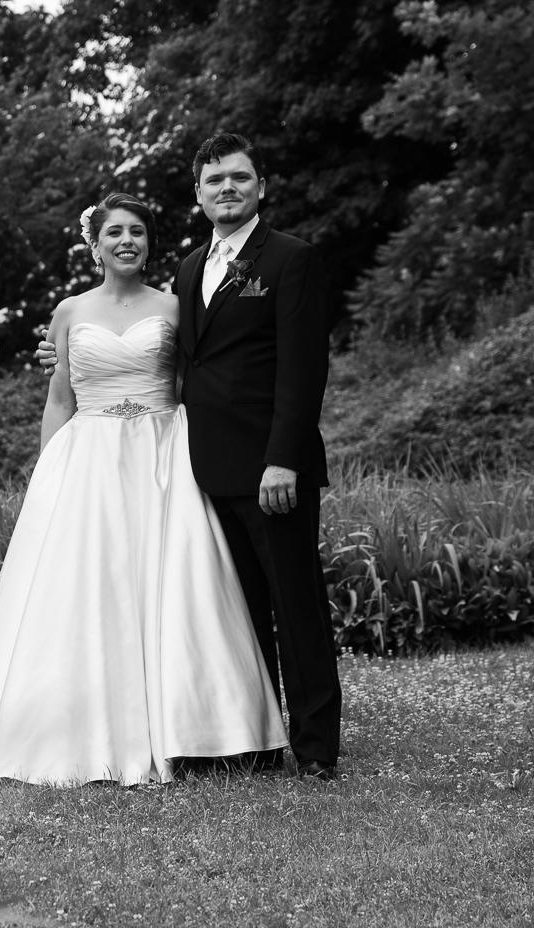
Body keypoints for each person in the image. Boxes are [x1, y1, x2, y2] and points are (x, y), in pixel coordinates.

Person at [0, 193, 287, 786]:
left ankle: (203, 730)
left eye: (137, 232)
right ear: (96, 245)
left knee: (180, 585)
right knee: (91, 588)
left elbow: (197, 380)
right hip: (91, 461)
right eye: (115, 233)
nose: (126, 241)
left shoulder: (177, 305)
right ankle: (79, 729)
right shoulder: (69, 312)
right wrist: (49, 475)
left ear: (150, 244)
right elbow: (60, 399)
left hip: (164, 455)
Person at [36, 133, 342, 780]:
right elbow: (179, 363)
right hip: (198, 468)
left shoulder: (291, 259)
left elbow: (303, 369)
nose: (227, 188)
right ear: (199, 194)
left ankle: (316, 748)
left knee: (296, 606)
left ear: (261, 186)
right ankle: (255, 737)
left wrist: (283, 458)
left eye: (239, 177)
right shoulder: (189, 269)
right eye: (214, 181)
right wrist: (68, 352)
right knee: (235, 613)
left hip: (271, 467)